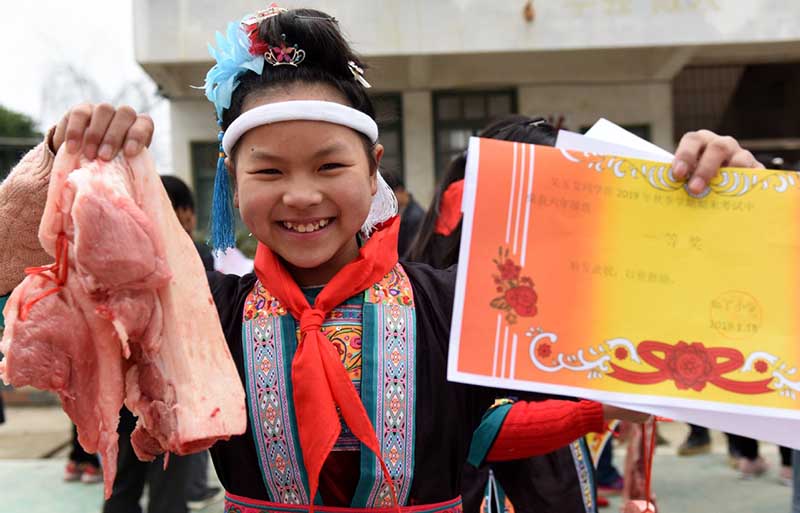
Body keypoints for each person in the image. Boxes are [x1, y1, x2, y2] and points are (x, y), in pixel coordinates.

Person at [0, 5, 763, 513]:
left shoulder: (459, 300)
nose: (302, 194)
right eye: (269, 170)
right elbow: (16, 268)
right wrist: (64, 163)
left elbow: (484, 433)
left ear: (374, 173)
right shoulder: (200, 314)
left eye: (330, 165)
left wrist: (731, 205)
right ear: (232, 181)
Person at [408, 115, 598, 513]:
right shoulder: (448, 293)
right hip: (493, 487)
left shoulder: (557, 274)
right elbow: (483, 427)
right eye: (553, 193)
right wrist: (596, 411)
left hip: (556, 474)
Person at [160, 175, 224, 510]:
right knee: (187, 441)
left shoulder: (129, 251)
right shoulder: (193, 252)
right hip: (185, 365)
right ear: (184, 211)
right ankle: (194, 490)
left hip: (144, 368)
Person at [382, 172, 425, 258]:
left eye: (388, 196)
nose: (386, 200)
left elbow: (411, 253)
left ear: (400, 191)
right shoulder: (399, 210)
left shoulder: (415, 217)